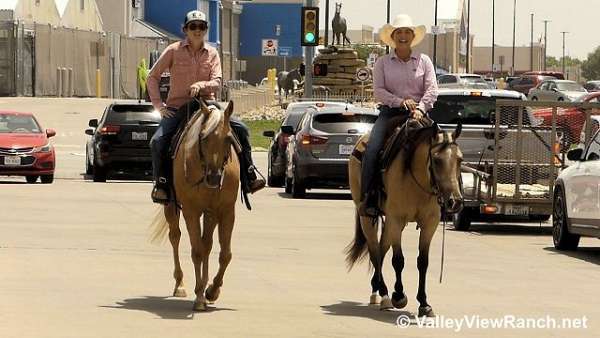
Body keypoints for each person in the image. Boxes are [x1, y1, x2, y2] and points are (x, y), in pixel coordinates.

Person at [147, 10, 265, 204]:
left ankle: (249, 176)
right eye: (193, 26)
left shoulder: (212, 53)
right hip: (179, 107)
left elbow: (217, 81)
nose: (197, 30)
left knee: (241, 130)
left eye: (201, 26)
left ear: (206, 30)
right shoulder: (173, 51)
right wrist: (159, 106)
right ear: (185, 29)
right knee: (157, 141)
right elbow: (152, 77)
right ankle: (162, 184)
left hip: (208, 106)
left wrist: (201, 85)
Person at [358, 14, 439, 217]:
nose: (403, 36)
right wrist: (400, 102)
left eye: (407, 32)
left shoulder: (424, 61)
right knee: (372, 150)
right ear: (393, 37)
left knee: (445, 150)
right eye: (399, 32)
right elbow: (379, 91)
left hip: (420, 115)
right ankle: (369, 197)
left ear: (413, 36)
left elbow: (432, 89)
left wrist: (420, 108)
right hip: (391, 114)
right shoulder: (383, 63)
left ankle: (446, 196)